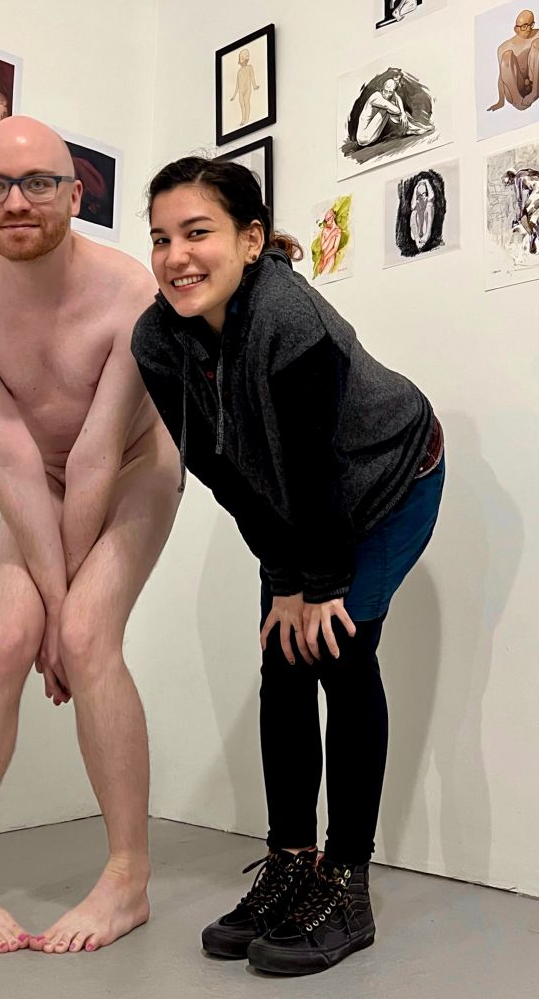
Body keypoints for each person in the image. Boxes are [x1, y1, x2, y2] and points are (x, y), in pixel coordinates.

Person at [131, 157, 444, 977]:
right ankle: (290, 862)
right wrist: (282, 578)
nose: (175, 256)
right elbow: (223, 472)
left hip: (391, 477)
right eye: (160, 238)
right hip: (305, 498)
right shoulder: (155, 339)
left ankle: (345, 880)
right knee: (281, 657)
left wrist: (321, 586)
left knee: (337, 651)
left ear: (250, 240)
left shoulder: (286, 316)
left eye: (196, 233)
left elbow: (314, 468)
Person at [0, 116, 180, 957]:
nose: (15, 203)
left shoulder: (131, 292)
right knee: (5, 641)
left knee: (88, 633)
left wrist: (64, 619)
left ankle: (128, 877)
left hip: (134, 466)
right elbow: (9, 454)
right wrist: (47, 610)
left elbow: (99, 451)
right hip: (37, 482)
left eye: (37, 184)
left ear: (74, 195)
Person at [487, 9, 539, 113]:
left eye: (531, 25)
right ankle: (518, 99)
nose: (528, 29)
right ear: (516, 29)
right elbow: (502, 76)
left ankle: (535, 92)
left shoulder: (538, 33)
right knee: (507, 57)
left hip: (535, 86)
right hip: (515, 91)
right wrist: (501, 101)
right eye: (524, 26)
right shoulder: (503, 48)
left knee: (538, 44)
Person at [356, 75, 433, 148]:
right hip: (364, 137)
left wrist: (403, 113)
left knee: (390, 106)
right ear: (382, 89)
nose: (387, 94)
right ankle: (411, 128)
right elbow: (395, 110)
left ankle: (412, 128)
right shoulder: (376, 97)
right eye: (385, 91)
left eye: (390, 92)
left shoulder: (389, 94)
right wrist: (402, 113)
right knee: (388, 107)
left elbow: (397, 97)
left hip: (373, 136)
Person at [503, 168, 539, 259]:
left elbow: (519, 199)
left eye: (509, 183)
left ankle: (531, 234)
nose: (510, 184)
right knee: (534, 221)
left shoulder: (517, 178)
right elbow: (530, 195)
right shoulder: (524, 173)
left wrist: (519, 216)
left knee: (523, 216)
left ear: (511, 178)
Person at [230, 48, 260, 127]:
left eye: (244, 59)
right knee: (242, 106)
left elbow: (252, 77)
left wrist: (254, 86)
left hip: (247, 89)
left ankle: (247, 119)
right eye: (242, 59)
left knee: (246, 103)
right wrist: (234, 96)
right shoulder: (239, 72)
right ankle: (243, 119)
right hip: (241, 91)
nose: (243, 61)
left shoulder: (249, 67)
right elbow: (237, 85)